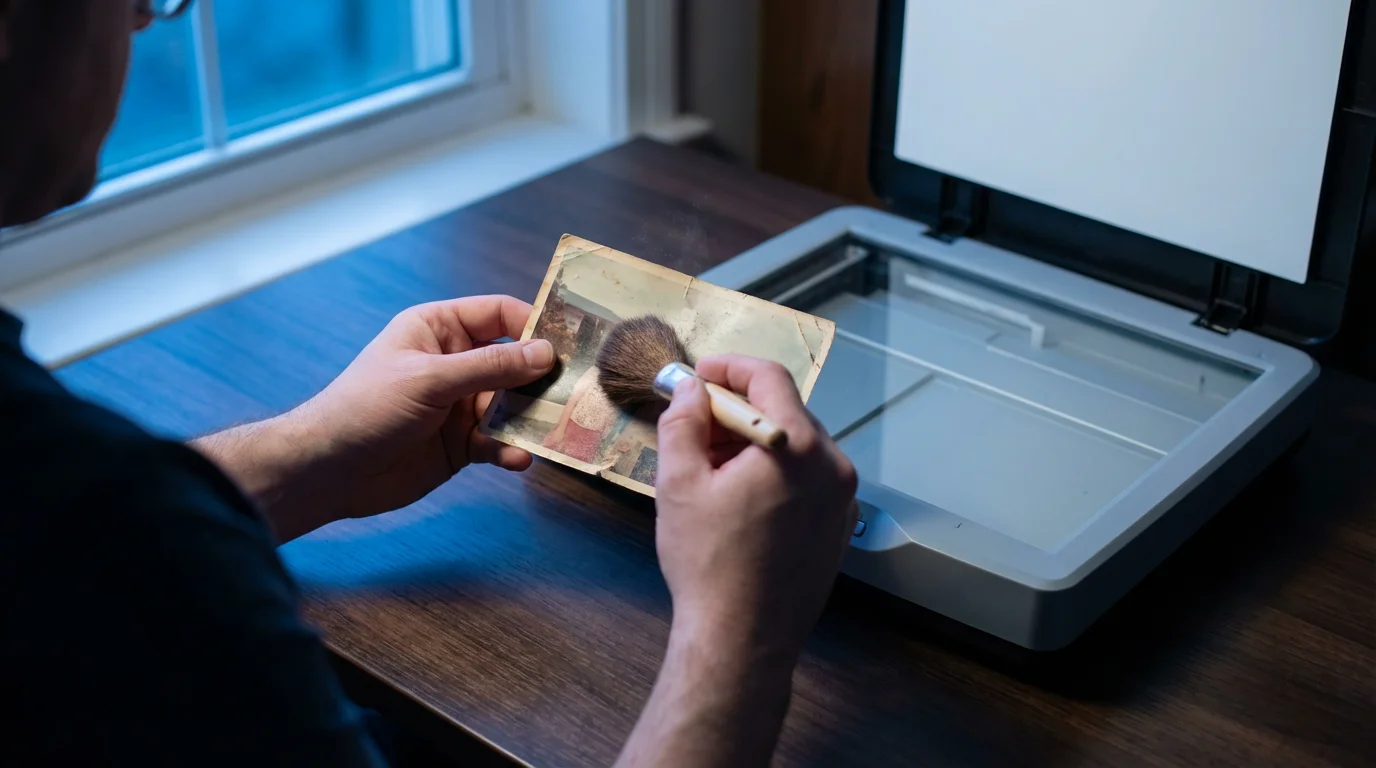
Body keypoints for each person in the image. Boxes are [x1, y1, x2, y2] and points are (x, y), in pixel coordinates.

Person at [0, 1, 859, 766]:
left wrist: (304, 454)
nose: (144, 20)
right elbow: (91, 549)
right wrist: (736, 642)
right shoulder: (94, 529)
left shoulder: (72, 501)